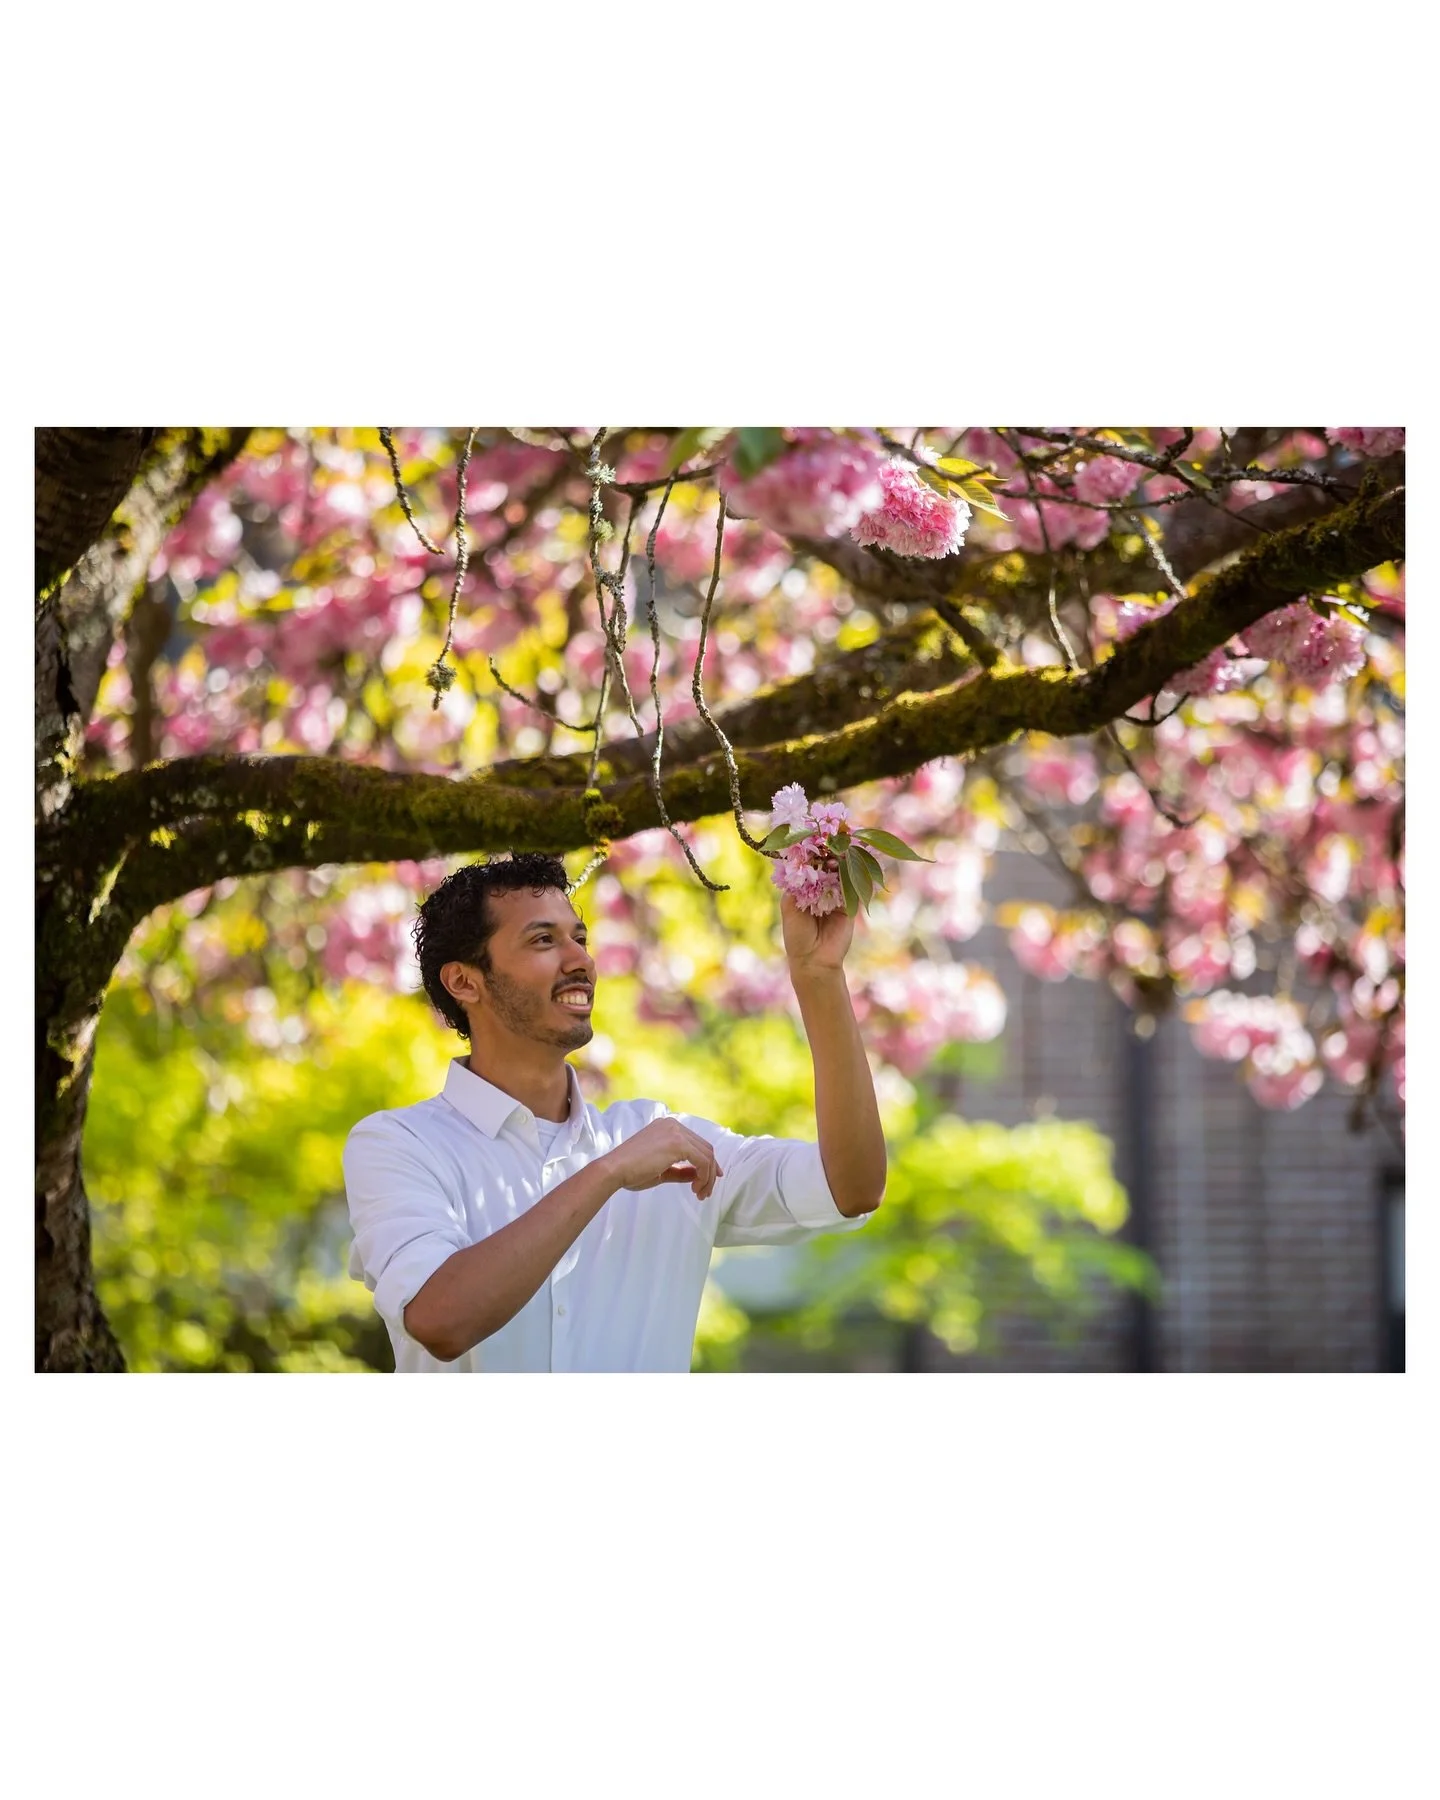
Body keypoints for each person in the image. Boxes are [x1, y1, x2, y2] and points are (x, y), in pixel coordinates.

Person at [343, 852, 887, 1372]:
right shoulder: (398, 1145)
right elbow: (442, 1320)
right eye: (542, 940)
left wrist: (818, 976)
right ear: (465, 981)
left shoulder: (664, 1143)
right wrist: (606, 1174)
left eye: (579, 938)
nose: (581, 960)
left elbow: (851, 1188)